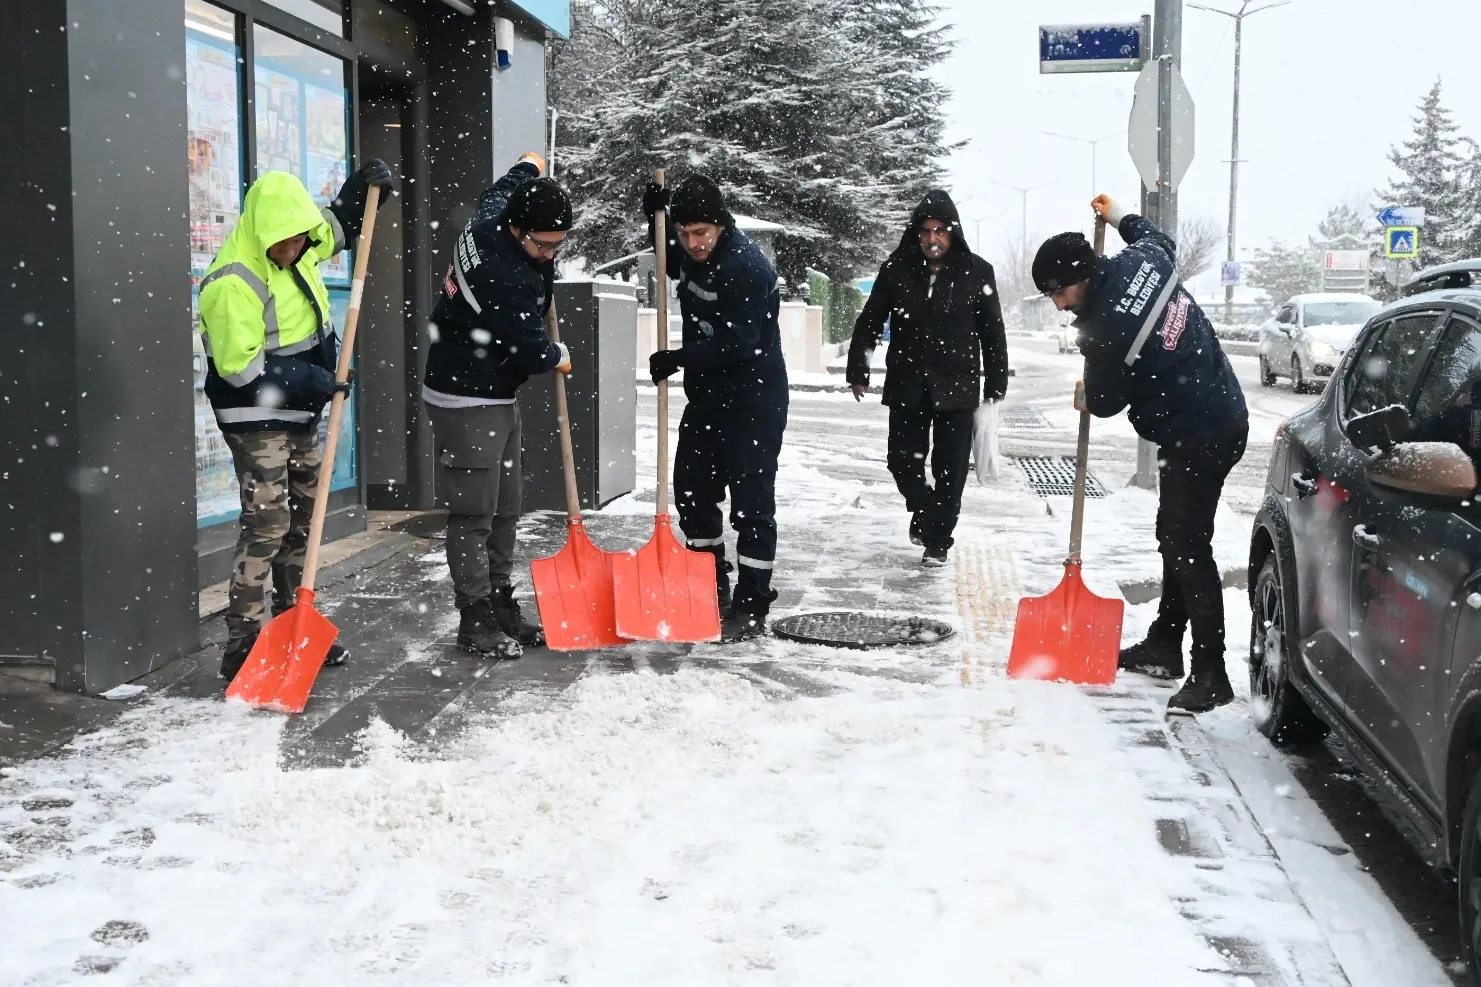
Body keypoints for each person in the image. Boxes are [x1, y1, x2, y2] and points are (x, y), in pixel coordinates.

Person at [1033, 194, 1249, 714]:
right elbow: (1157, 237)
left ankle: (1212, 673)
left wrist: (1088, 390)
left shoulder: (1104, 332)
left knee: (1186, 545)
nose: (1058, 304)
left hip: (1198, 433)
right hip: (1220, 413)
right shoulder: (1143, 260)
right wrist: (1118, 215)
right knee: (1177, 537)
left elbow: (1106, 402)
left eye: (1059, 292)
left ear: (1082, 276)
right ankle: (1164, 644)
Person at [199, 160, 395, 682]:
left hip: (301, 408)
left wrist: (364, 189)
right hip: (255, 416)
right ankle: (243, 641)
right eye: (282, 243)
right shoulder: (231, 281)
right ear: (263, 233)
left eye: (298, 240)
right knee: (268, 523)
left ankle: (293, 624)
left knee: (305, 519)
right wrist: (314, 379)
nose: (293, 250)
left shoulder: (303, 241)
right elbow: (240, 370)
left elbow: (338, 225)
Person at [423, 153, 573, 659]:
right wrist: (557, 354)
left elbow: (507, 183)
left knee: (507, 505)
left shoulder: (494, 211)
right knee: (474, 512)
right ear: (516, 229)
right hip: (465, 395)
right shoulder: (501, 276)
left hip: (495, 390)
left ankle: (498, 597)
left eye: (558, 245)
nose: (550, 255)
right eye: (543, 245)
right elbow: (532, 351)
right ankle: (475, 616)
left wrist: (528, 165)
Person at [642, 174, 789, 642]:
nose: (692, 243)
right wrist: (655, 216)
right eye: (684, 233)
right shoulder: (689, 251)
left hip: (754, 403)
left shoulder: (748, 268)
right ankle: (707, 583)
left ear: (721, 225)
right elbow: (668, 257)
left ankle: (752, 601)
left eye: (701, 232)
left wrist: (679, 358)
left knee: (751, 507)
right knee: (693, 494)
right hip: (707, 401)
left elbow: (739, 344)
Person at [846, 190, 1009, 566]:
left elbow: (993, 333)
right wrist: (858, 368)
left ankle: (938, 540)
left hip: (958, 385)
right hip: (908, 382)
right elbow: (870, 320)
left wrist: (995, 384)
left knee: (951, 470)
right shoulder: (897, 268)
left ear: (953, 233)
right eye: (925, 231)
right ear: (916, 233)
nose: (932, 238)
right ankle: (923, 510)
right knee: (901, 461)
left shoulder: (977, 272)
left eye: (940, 231)